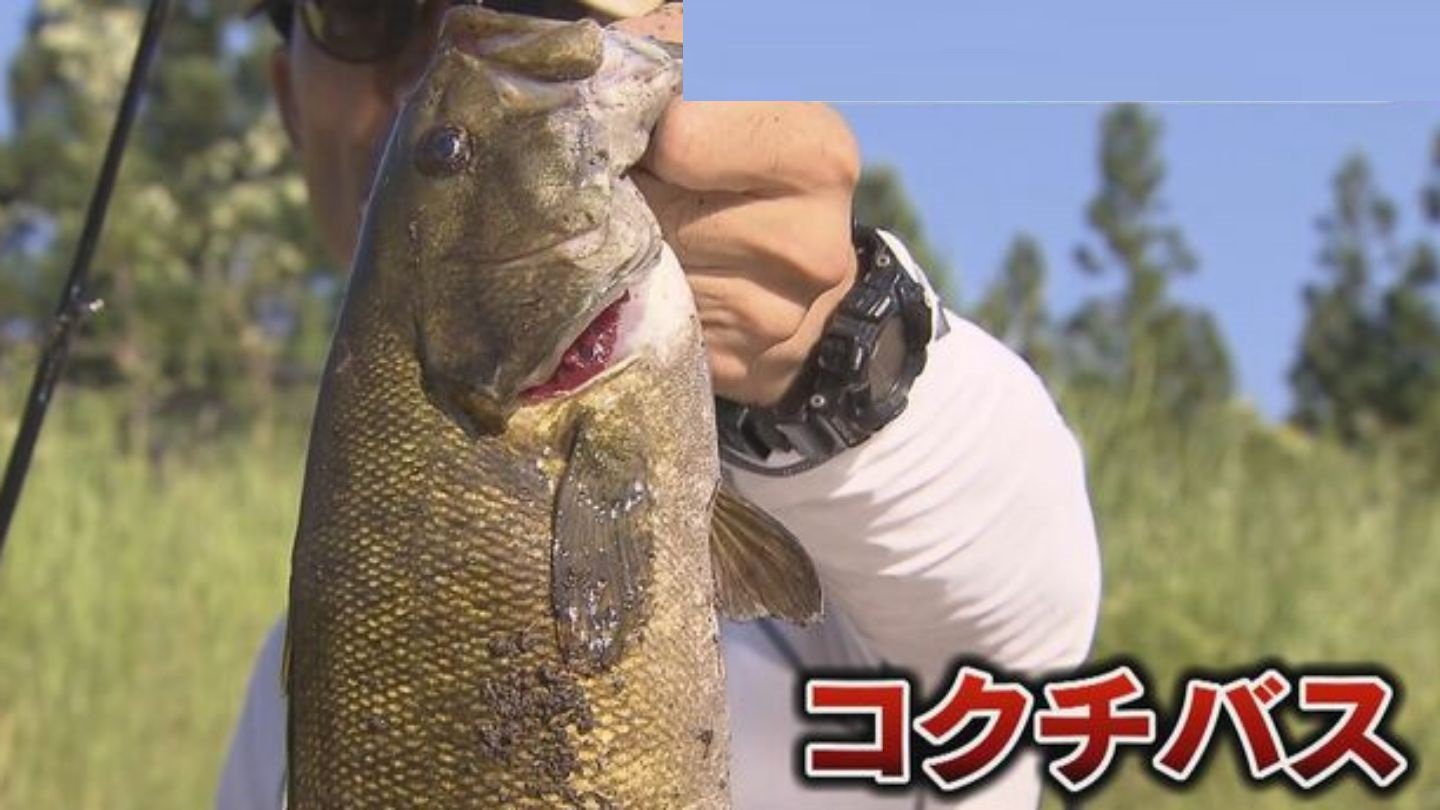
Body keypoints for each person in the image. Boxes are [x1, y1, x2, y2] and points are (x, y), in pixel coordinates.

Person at [216, 1, 1102, 807]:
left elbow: (1018, 600)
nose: (448, 36)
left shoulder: (853, 573)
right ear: (291, 100)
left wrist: (833, 367)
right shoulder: (304, 694)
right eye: (362, 12)